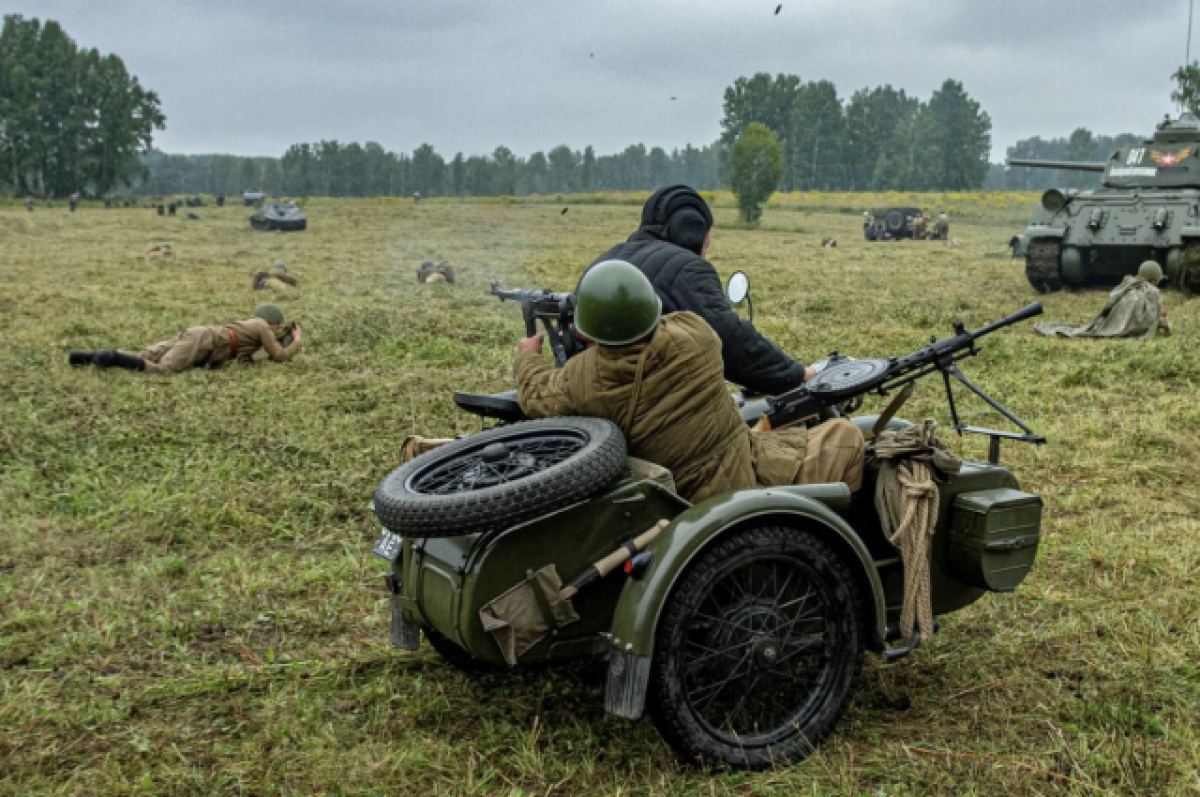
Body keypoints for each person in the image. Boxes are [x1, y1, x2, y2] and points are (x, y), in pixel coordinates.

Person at [515, 260, 864, 504]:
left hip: (682, 506)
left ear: (585, 331)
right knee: (846, 437)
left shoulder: (585, 379)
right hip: (746, 471)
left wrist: (529, 354)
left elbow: (536, 393)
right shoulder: (696, 333)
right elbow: (670, 323)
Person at [590, 185, 812, 396]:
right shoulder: (686, 268)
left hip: (599, 397)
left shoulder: (605, 261)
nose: (708, 245)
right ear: (691, 232)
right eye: (706, 239)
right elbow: (730, 340)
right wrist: (796, 374)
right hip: (655, 409)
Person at [68, 303, 304, 374]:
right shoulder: (262, 325)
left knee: (145, 355)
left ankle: (89, 358)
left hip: (199, 334)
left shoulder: (249, 329)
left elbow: (243, 358)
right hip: (204, 341)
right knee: (163, 370)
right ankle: (113, 357)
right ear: (271, 322)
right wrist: (297, 340)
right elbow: (280, 356)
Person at [1034, 261, 1171, 339]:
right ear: (1154, 279)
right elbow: (1150, 319)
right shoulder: (1152, 292)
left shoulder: (1125, 286)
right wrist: (1163, 320)